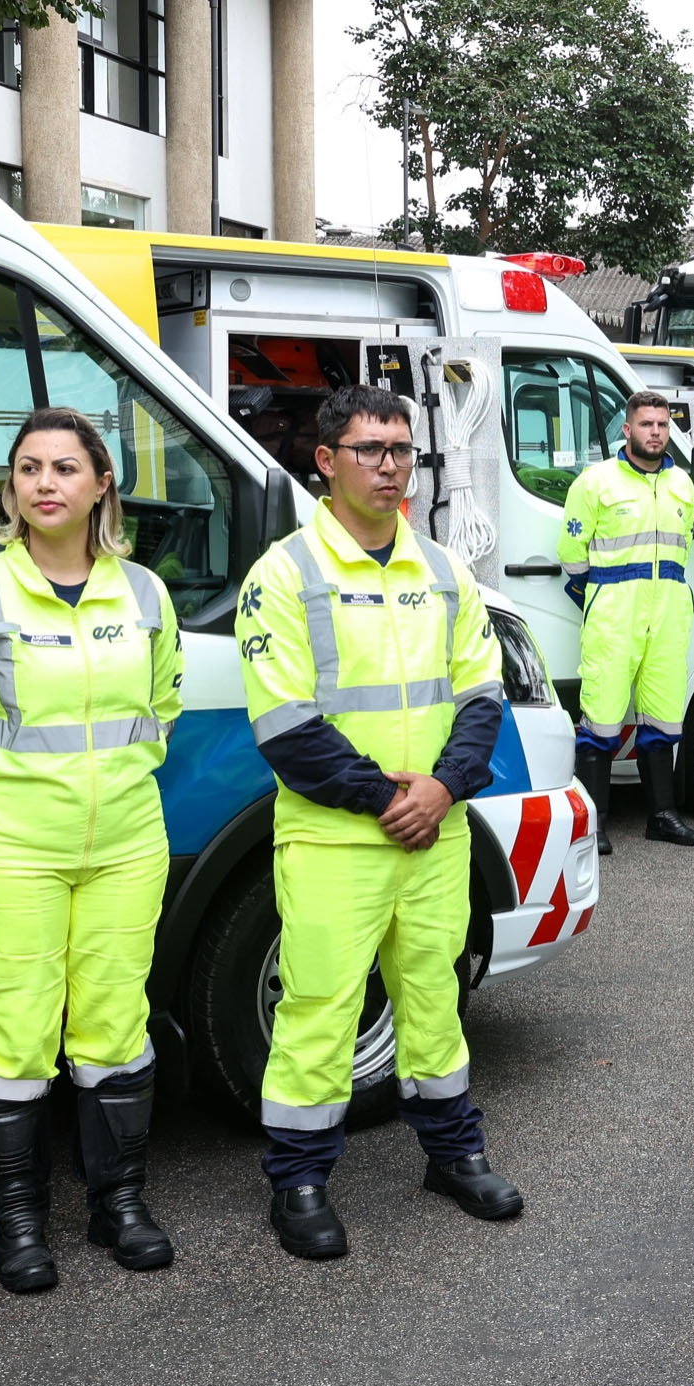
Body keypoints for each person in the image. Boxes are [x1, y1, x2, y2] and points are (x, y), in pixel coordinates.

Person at [236, 385, 519, 1259]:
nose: (390, 466)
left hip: (433, 833)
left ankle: (453, 1154)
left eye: (400, 449)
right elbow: (284, 725)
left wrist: (441, 790)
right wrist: (390, 799)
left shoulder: (444, 570)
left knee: (434, 1001)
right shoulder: (284, 573)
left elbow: (482, 694)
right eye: (369, 450)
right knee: (319, 1008)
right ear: (326, 461)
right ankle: (300, 1182)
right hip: (334, 839)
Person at [0, 409, 184, 1294]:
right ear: (10, 489)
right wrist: (19, 797)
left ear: (101, 483)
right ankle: (20, 1225)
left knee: (115, 1026)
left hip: (128, 844)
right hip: (10, 848)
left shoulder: (144, 594)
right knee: (18, 1033)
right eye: (28, 469)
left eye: (65, 467)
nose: (45, 483)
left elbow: (162, 713)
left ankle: (120, 1204)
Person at [556, 390, 694, 853]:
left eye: (662, 424)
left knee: (663, 717)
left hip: (668, 614)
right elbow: (572, 557)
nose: (655, 432)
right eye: (646, 424)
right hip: (615, 613)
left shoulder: (683, 483)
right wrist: (603, 599)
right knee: (601, 718)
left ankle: (661, 816)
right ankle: (593, 826)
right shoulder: (595, 481)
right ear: (627, 429)